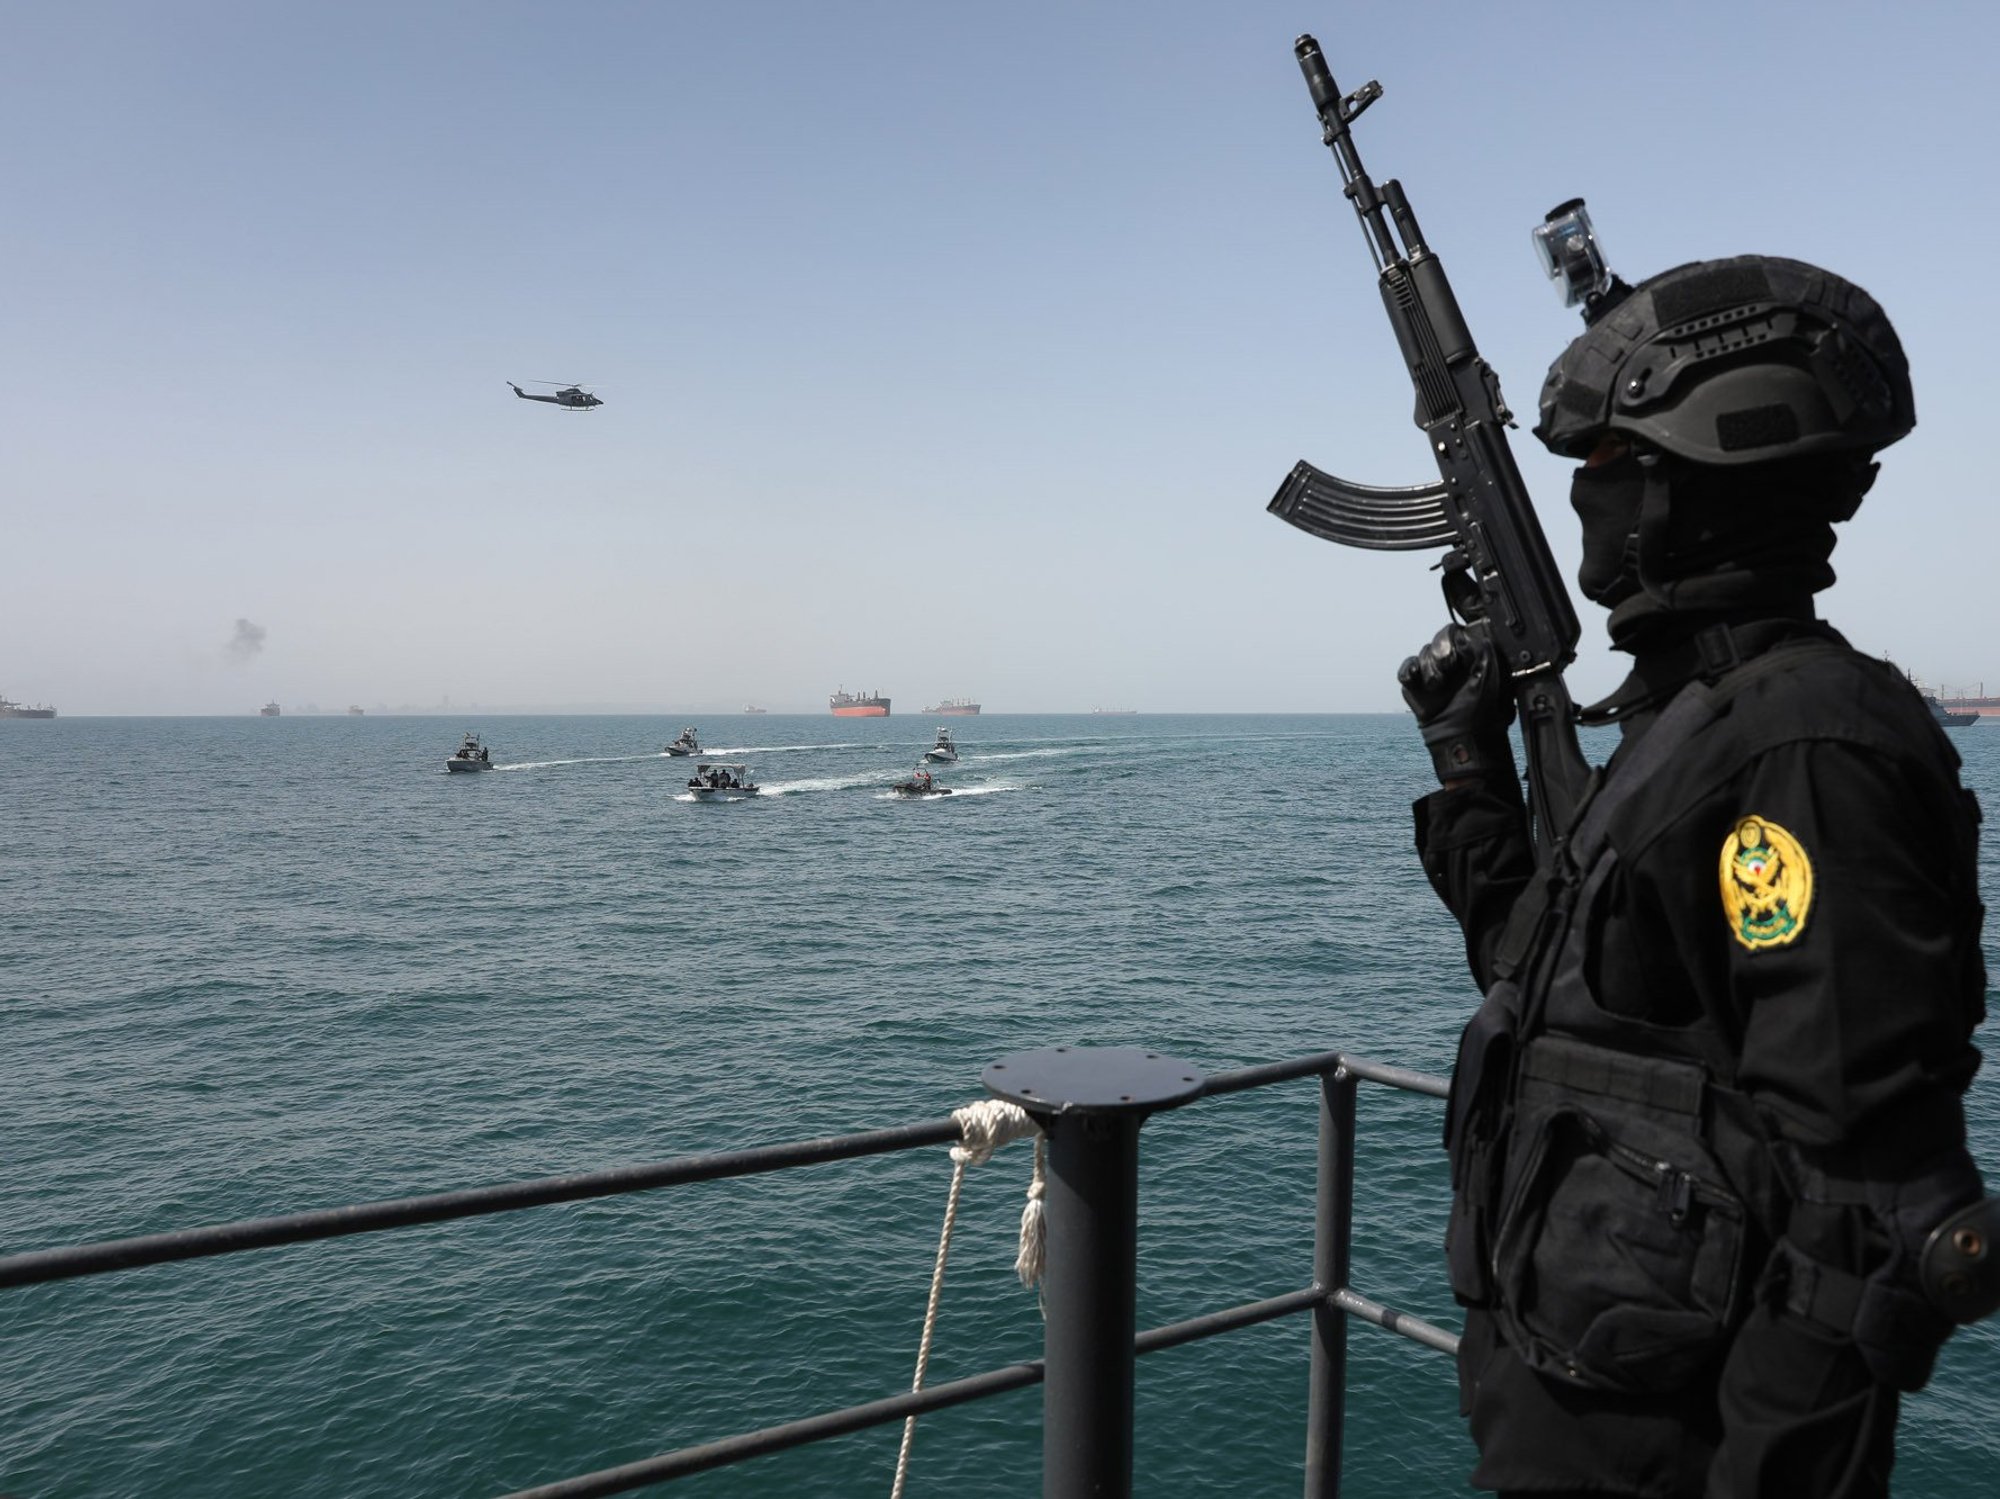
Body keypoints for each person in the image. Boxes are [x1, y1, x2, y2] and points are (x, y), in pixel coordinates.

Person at [1400, 254, 1991, 1497]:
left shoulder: (1809, 754)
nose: (1581, 501)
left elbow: (1868, 1222)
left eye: (1605, 468)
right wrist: (1468, 777)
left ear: (1696, 484)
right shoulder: (1693, 729)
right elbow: (1557, 990)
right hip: (1569, 1426)